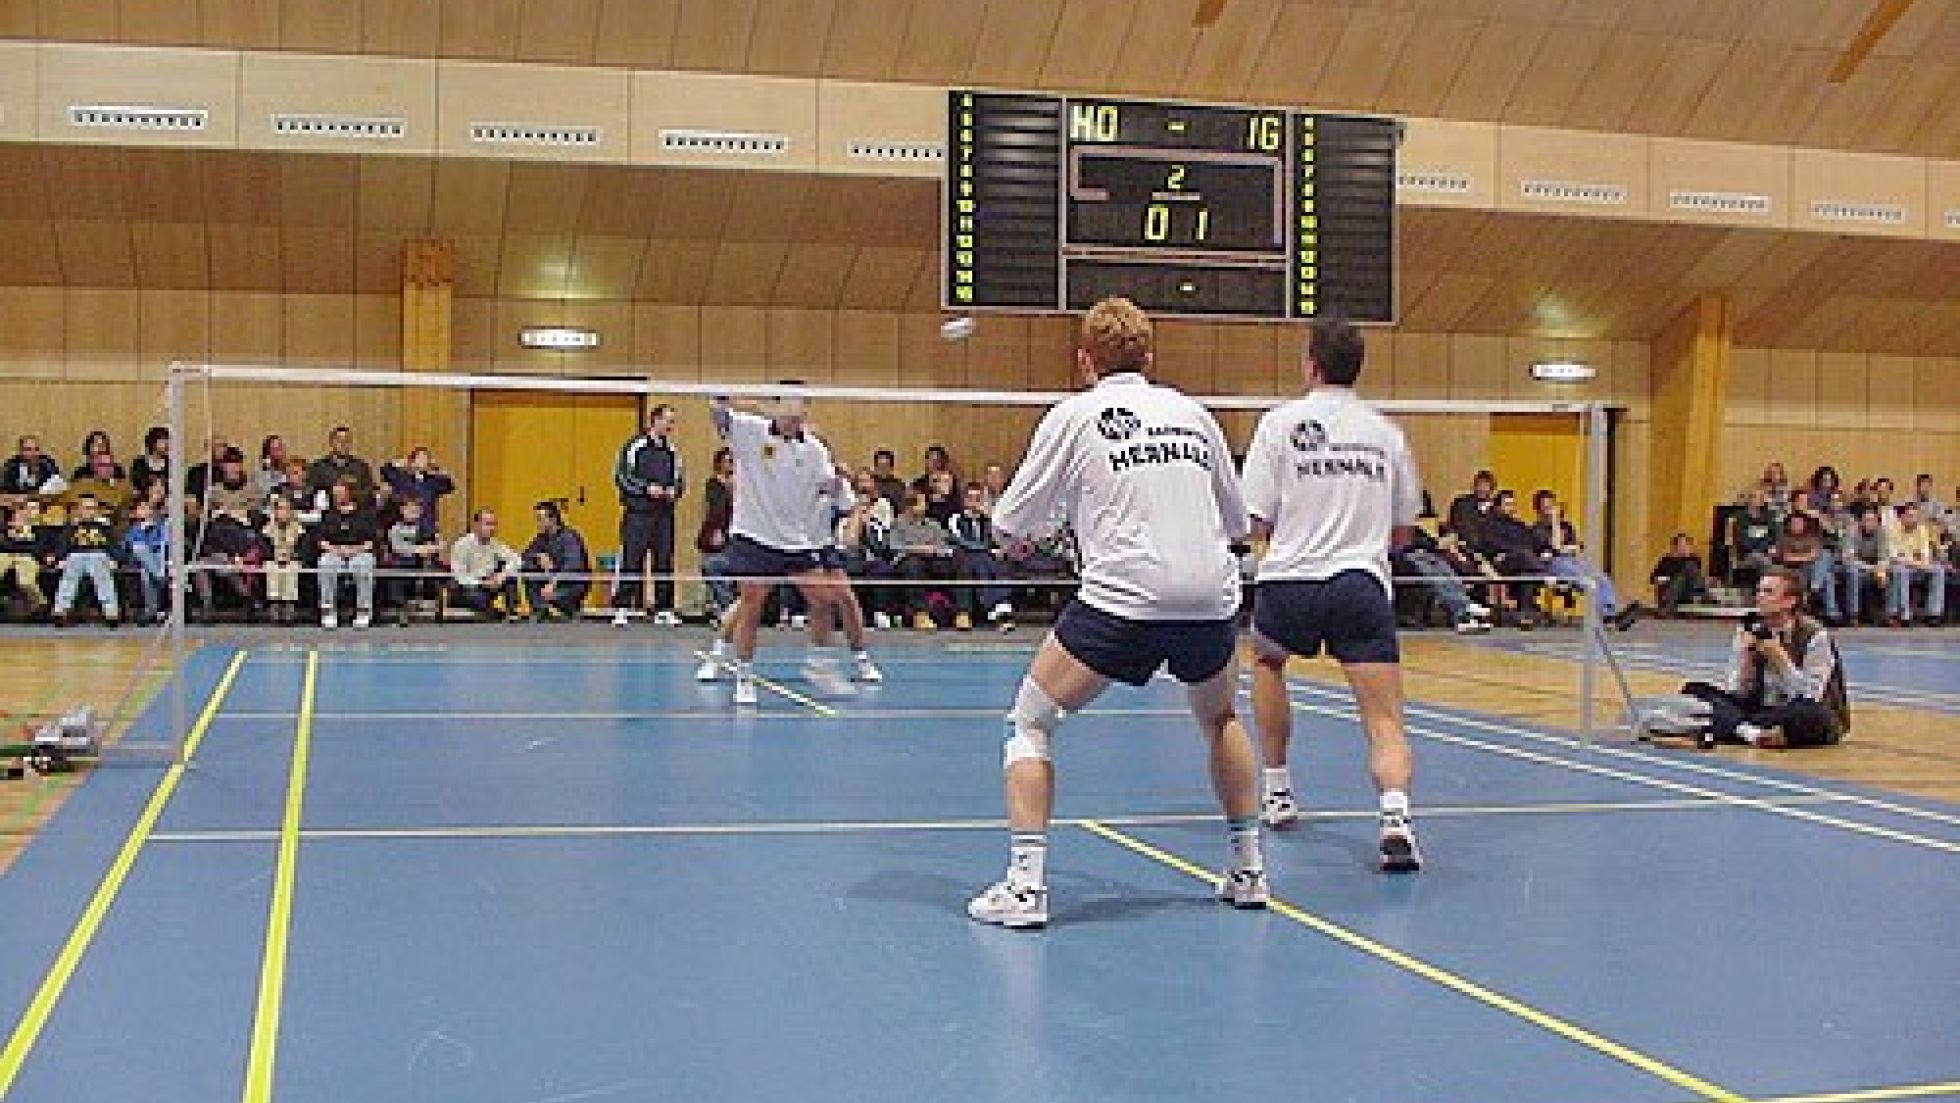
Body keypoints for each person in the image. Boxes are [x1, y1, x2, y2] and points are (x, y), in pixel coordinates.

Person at [967, 297, 1266, 930]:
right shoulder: (1193, 413)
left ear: (1084, 362)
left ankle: (1025, 888)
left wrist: (1028, 534)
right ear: (1149, 358)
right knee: (1219, 717)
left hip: (1123, 597)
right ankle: (1248, 870)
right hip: (1210, 596)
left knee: (1030, 723)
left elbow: (1011, 522)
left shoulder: (1074, 415)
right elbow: (1239, 522)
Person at [1241, 317, 1425, 872]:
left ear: (1312, 364)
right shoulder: (1387, 434)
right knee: (1385, 719)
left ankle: (1276, 788)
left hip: (1290, 580)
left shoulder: (1278, 425)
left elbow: (1254, 517)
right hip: (1358, 584)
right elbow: (1403, 533)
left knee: (1269, 664)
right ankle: (1395, 817)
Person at [708, 388, 862, 705]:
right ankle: (744, 675)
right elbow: (718, 413)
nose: (795, 414)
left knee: (823, 598)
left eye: (800, 407)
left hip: (794, 540)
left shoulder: (815, 450)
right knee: (752, 606)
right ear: (777, 406)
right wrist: (737, 401)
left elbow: (827, 487)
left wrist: (838, 481)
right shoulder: (750, 430)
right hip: (754, 534)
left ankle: (820, 663)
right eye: (788, 406)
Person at [1682, 567, 1848, 749]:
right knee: (1695, 691)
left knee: (1812, 716)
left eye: (1768, 592)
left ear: (1790, 601)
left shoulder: (1815, 636)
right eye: (1759, 590)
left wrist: (1780, 659)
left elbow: (1810, 697)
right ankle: (1752, 734)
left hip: (1795, 711)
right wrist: (1746, 659)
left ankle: (1730, 727)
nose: (1759, 597)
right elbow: (1736, 692)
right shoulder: (1749, 627)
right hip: (1760, 709)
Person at [611, 404, 685, 627]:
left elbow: (680, 479)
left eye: (673, 421)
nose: (671, 426)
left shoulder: (672, 451)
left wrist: (674, 490)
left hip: (663, 515)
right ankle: (622, 608)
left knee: (664, 560)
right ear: (655, 420)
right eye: (668, 421)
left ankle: (664, 608)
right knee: (632, 559)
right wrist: (645, 489)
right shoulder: (635, 447)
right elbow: (621, 476)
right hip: (638, 513)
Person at [315, 481, 379, 629]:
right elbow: (321, 541)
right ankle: (328, 611)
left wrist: (354, 550)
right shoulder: (328, 515)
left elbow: (372, 541)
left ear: (350, 493)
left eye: (340, 493)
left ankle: (364, 611)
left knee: (363, 565)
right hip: (334, 552)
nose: (337, 496)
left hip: (360, 551)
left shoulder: (365, 514)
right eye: (334, 494)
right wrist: (336, 550)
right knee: (326, 563)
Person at [49, 495, 120, 628]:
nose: (89, 511)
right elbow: (63, 544)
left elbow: (114, 545)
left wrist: (115, 559)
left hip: (98, 555)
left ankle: (111, 612)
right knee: (69, 575)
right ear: (79, 510)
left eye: (92, 508)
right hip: (76, 555)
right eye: (86, 508)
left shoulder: (104, 526)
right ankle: (61, 610)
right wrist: (59, 558)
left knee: (103, 576)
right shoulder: (72, 526)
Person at [523, 500, 592, 621]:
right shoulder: (541, 538)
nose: (538, 523)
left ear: (553, 519)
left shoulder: (568, 537)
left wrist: (553, 584)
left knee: (556, 592)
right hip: (550, 582)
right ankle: (541, 611)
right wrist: (537, 557)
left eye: (540, 519)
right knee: (529, 570)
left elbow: (573, 566)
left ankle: (568, 609)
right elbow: (524, 557)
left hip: (571, 585)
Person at [448, 509, 523, 621]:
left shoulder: (495, 543)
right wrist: (483, 583)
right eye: (488, 524)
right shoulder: (462, 545)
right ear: (476, 525)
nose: (492, 528)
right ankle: (495, 615)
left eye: (494, 524)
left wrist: (501, 575)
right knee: (475, 595)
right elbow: (460, 576)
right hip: (467, 586)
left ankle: (513, 613)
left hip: (489, 582)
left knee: (510, 579)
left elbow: (517, 560)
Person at [385, 498, 445, 624]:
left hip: (424, 561)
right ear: (402, 510)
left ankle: (436, 607)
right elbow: (398, 548)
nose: (413, 512)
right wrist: (418, 550)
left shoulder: (428, 528)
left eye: (416, 510)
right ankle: (401, 607)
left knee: (439, 569)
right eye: (410, 510)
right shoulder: (395, 529)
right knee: (396, 572)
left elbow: (441, 544)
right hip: (403, 562)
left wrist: (434, 547)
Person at [695, 447, 737, 622]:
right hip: (717, 537)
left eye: (733, 461)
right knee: (712, 566)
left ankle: (730, 609)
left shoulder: (743, 485)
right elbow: (716, 510)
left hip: (738, 541)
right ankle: (726, 607)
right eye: (727, 461)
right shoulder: (713, 485)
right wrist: (716, 532)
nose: (730, 465)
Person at [262, 496, 306, 626]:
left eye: (286, 509)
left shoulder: (299, 529)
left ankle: (289, 606)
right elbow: (263, 549)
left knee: (291, 568)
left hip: (292, 559)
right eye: (280, 509)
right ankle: (274, 605)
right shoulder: (267, 529)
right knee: (272, 567)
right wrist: (274, 557)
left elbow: (304, 550)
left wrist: (292, 556)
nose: (283, 512)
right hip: (273, 559)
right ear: (275, 511)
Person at [306, 427, 376, 503]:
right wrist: (331, 493)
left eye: (347, 440)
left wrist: (351, 494)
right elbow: (310, 493)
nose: (343, 443)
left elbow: (370, 492)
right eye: (339, 440)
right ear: (331, 443)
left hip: (356, 511)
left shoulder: (361, 467)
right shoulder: (318, 467)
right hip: (328, 511)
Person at [1649, 533, 1712, 617]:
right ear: (1675, 547)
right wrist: (1667, 579)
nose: (1684, 547)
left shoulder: (1694, 559)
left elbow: (1694, 577)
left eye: (1686, 545)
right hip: (1671, 590)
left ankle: (1666, 609)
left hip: (1687, 591)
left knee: (1689, 568)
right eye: (1681, 545)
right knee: (1680, 578)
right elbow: (1653, 578)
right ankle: (1704, 596)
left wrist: (1687, 556)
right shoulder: (1666, 560)